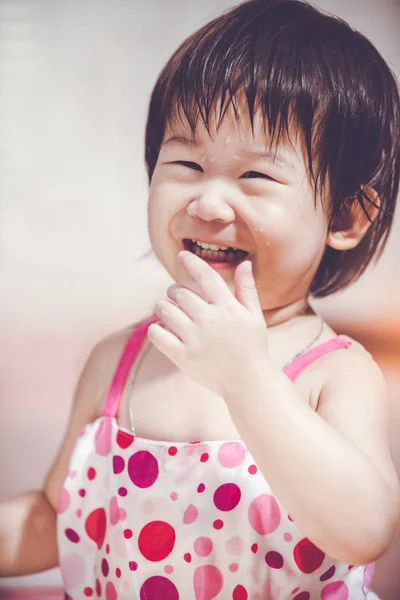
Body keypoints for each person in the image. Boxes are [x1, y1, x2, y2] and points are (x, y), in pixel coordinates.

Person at [1, 0, 400, 598]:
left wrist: (246, 379)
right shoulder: (120, 360)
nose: (208, 204)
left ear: (345, 215)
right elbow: (55, 517)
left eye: (255, 177)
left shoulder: (335, 375)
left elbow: (364, 529)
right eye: (186, 163)